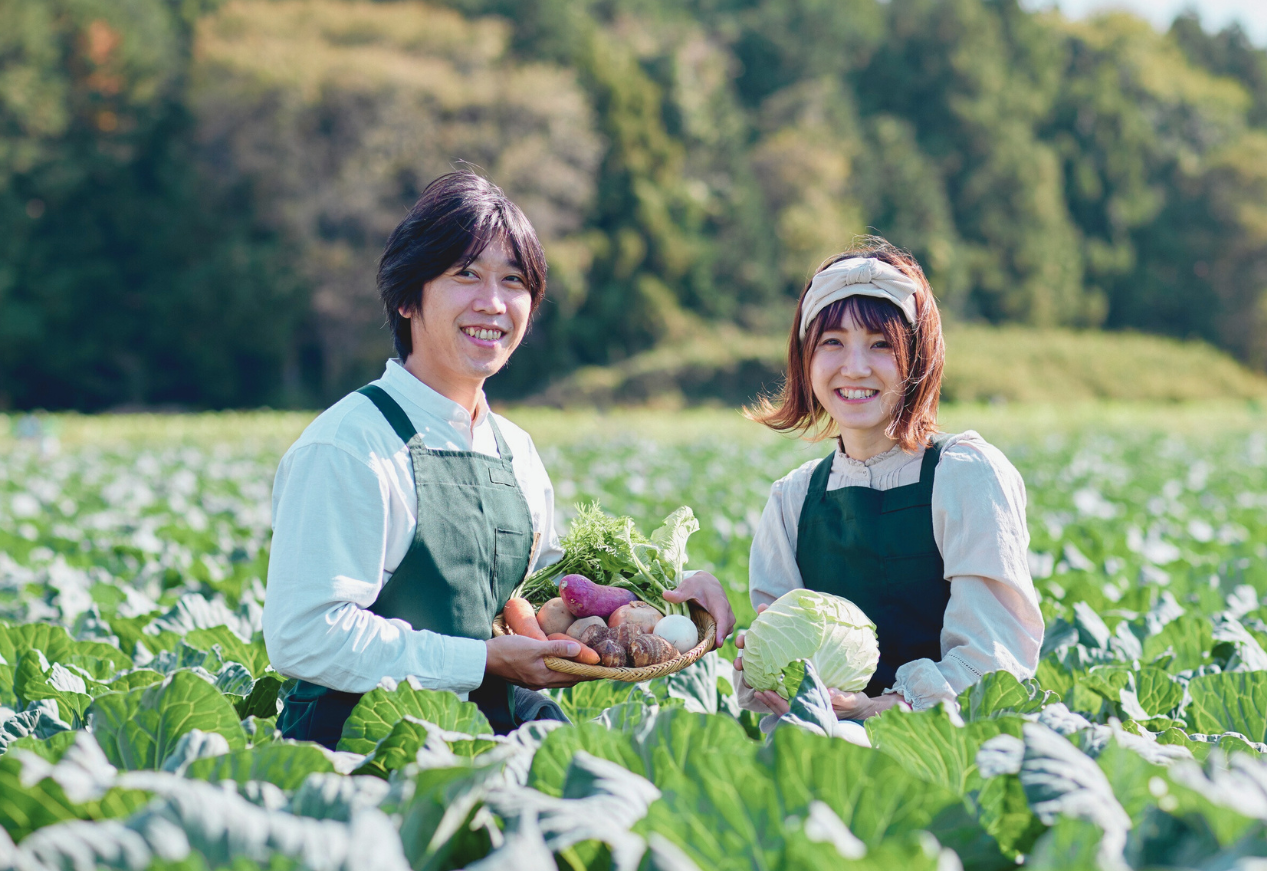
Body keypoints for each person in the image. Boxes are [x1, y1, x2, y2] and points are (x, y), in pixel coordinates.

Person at [263, 171, 734, 747]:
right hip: (362, 749)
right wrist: (481, 661)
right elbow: (306, 635)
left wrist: (674, 590)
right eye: (466, 275)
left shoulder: (513, 448)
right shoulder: (348, 445)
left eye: (513, 281)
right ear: (408, 296)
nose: (493, 303)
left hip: (491, 730)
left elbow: (545, 586)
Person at [733, 236, 1043, 726]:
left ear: (917, 360)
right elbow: (777, 671)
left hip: (952, 747)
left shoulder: (966, 475)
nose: (854, 367)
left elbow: (994, 664)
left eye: (881, 345)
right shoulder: (793, 500)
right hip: (822, 749)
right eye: (832, 342)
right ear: (805, 358)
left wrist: (875, 711)